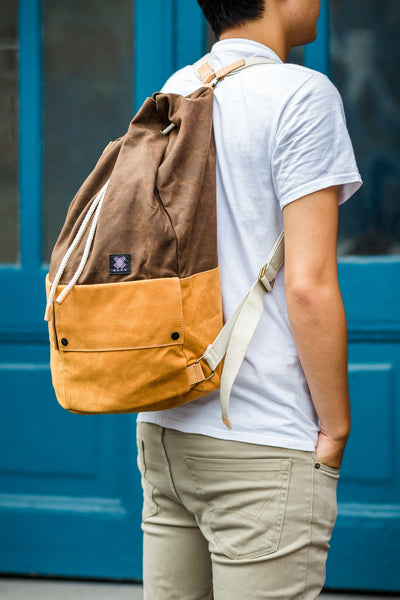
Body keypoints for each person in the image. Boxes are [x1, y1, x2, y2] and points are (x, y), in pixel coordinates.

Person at [136, 1, 362, 598]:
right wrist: (336, 427)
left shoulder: (177, 88)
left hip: (165, 424)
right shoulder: (302, 95)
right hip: (262, 434)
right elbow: (308, 285)